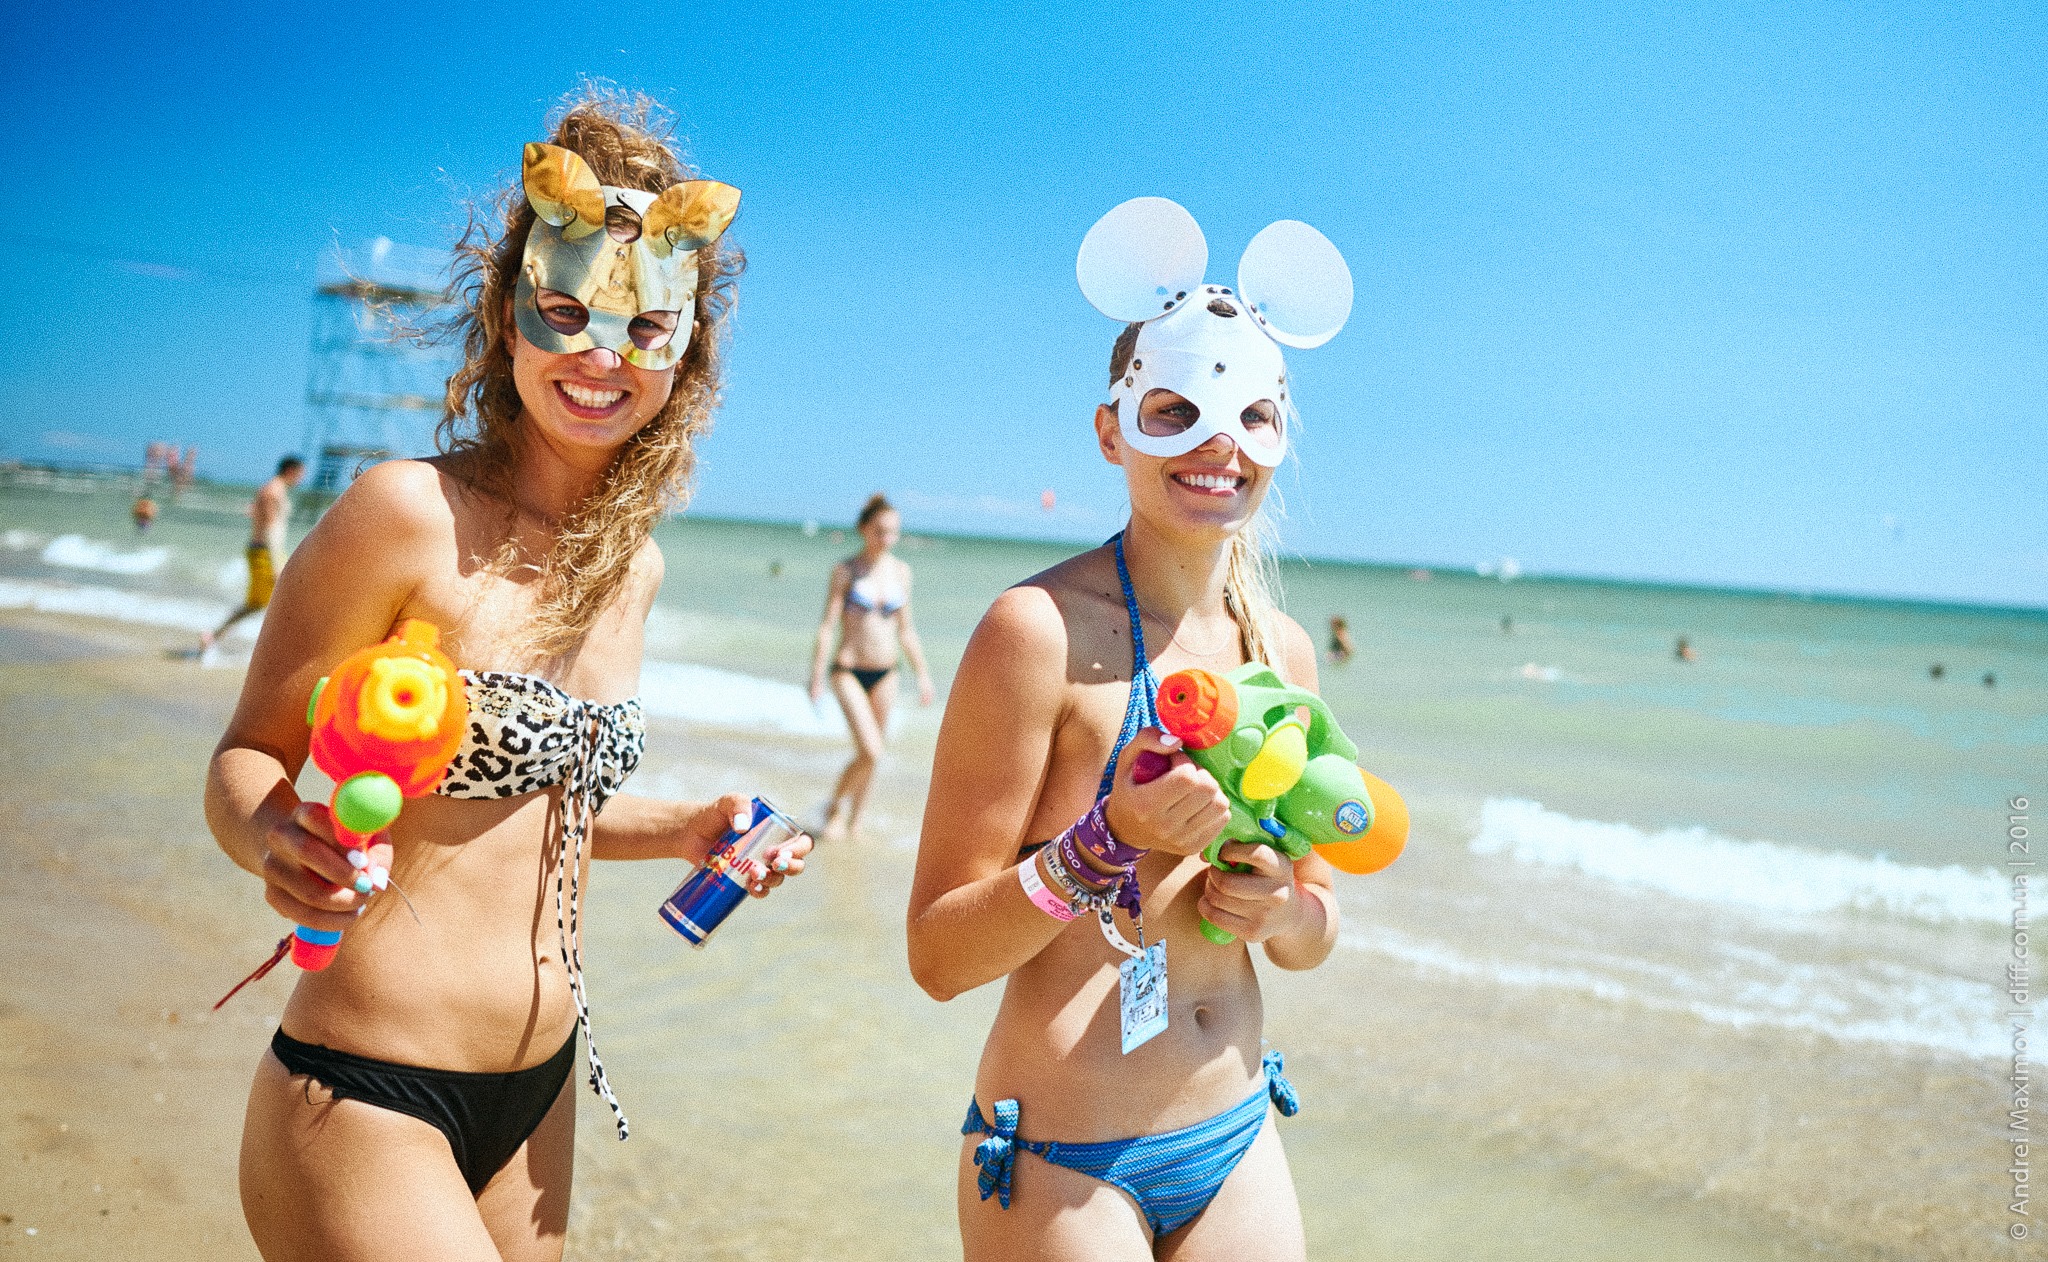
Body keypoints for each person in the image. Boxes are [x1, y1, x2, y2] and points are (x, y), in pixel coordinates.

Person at [204, 91, 808, 1261]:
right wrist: (271, 835)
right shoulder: (405, 514)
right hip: (365, 1090)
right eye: (567, 310)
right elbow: (248, 755)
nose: (599, 354)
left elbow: (537, 809)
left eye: (642, 326)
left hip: (538, 1098)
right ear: (508, 315)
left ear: (686, 349)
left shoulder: (632, 567)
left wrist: (689, 824)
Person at [908, 198, 1354, 1260]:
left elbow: (1318, 927)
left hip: (1236, 1131)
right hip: (1066, 1156)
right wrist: (1101, 841)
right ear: (1111, 428)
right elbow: (934, 952)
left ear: (1279, 434)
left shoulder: (1279, 650)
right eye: (1175, 413)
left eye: (1252, 418)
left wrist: (1279, 906)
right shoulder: (1036, 632)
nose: (1218, 446)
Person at [808, 493, 935, 842]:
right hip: (848, 670)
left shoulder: (902, 572)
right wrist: (816, 675)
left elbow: (906, 630)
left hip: (887, 672)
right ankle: (833, 807)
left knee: (872, 756)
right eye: (880, 531)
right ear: (864, 529)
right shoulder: (846, 571)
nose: (887, 539)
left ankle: (855, 822)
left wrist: (923, 675)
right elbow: (827, 625)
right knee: (870, 749)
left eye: (893, 532)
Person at [199, 456, 304, 652]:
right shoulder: (273, 491)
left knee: (266, 603)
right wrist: (276, 565)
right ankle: (214, 636)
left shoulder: (271, 489)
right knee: (263, 603)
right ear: (291, 471)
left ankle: (214, 636)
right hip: (265, 553)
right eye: (300, 473)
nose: (301, 478)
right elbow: (271, 528)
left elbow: (258, 516)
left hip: (268, 551)